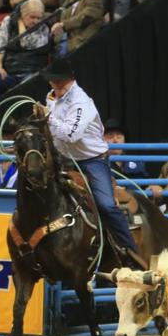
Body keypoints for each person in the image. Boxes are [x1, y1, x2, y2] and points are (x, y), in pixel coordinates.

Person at [42, 57, 144, 267]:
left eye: (58, 81)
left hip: (92, 162)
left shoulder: (81, 102)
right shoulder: (52, 98)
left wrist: (48, 118)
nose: (55, 85)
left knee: (106, 205)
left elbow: (71, 134)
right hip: (63, 159)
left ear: (68, 80)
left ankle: (131, 252)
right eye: (53, 81)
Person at [0, 0, 51, 102]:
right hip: (9, 72)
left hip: (31, 73)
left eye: (39, 18)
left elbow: (26, 43)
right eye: (32, 17)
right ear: (22, 14)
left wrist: (20, 23)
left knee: (29, 82)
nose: (36, 21)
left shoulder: (44, 27)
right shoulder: (8, 21)